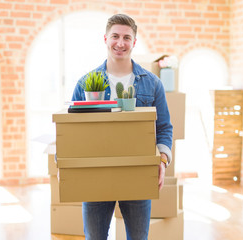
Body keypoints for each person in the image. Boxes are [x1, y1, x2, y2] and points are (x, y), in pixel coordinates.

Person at [71, 13, 173, 240]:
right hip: (96, 177)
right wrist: (65, 162)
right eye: (115, 36)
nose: (120, 43)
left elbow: (164, 127)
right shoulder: (85, 83)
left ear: (134, 42)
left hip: (137, 174)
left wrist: (163, 160)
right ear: (105, 39)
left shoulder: (152, 83)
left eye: (126, 37)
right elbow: (73, 130)